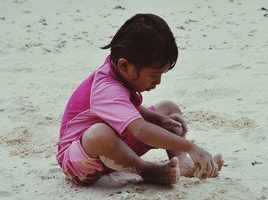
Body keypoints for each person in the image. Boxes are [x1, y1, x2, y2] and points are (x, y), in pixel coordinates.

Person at [57, 13, 223, 185]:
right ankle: (148, 170)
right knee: (99, 133)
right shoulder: (107, 88)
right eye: (154, 75)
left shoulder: (118, 72)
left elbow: (129, 107)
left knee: (167, 108)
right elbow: (140, 130)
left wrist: (160, 119)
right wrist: (191, 147)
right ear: (124, 65)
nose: (158, 81)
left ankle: (181, 161)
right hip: (81, 161)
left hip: (116, 151)